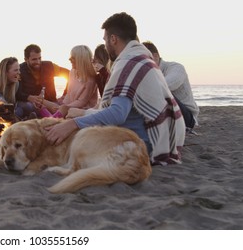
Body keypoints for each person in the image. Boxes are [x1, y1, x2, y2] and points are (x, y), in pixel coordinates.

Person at [45, 12, 186, 166]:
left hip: (145, 145)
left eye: (105, 40)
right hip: (161, 137)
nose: (105, 45)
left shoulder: (128, 63)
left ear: (113, 39)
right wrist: (82, 116)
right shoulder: (142, 58)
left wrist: (73, 124)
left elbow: (118, 114)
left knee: (75, 139)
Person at [142, 41, 199, 130]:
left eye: (144, 60)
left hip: (187, 118)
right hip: (167, 117)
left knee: (162, 92)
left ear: (155, 57)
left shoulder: (176, 68)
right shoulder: (149, 73)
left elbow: (167, 85)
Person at [39, 45, 97, 118]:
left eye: (72, 58)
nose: (69, 59)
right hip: (68, 106)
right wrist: (62, 105)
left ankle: (51, 120)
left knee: (61, 109)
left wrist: (66, 107)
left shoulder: (90, 80)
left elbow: (82, 102)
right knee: (40, 101)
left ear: (80, 60)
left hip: (81, 110)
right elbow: (69, 94)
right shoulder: (72, 72)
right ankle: (54, 117)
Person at [15, 44, 70, 119]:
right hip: (30, 103)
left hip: (51, 102)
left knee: (61, 108)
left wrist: (65, 94)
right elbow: (16, 92)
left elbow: (69, 74)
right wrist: (28, 97)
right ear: (26, 59)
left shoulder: (50, 66)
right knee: (27, 107)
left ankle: (50, 118)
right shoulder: (19, 70)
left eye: (39, 58)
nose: (38, 62)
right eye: (34, 59)